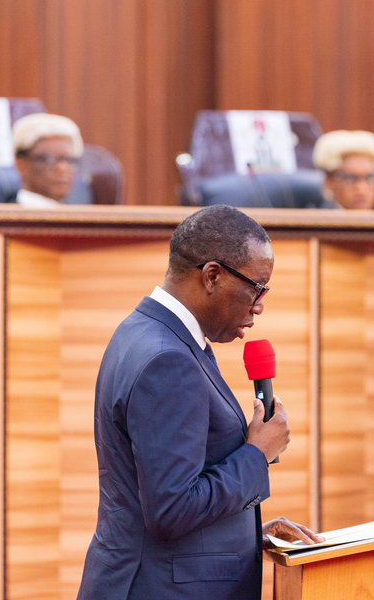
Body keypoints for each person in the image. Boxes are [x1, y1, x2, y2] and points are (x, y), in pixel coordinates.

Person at [77, 205, 321, 599]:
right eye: (257, 287)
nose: (259, 305)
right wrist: (257, 453)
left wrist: (244, 534)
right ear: (212, 276)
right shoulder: (168, 359)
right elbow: (171, 509)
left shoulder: (143, 330)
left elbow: (160, 494)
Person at [9, 112, 83, 206]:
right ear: (21, 164)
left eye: (69, 160)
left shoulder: (81, 212)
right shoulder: (4, 212)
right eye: (49, 159)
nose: (62, 168)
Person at [312, 129, 374, 210]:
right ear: (328, 183)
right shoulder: (316, 217)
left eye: (369, 178)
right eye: (350, 178)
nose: (361, 189)